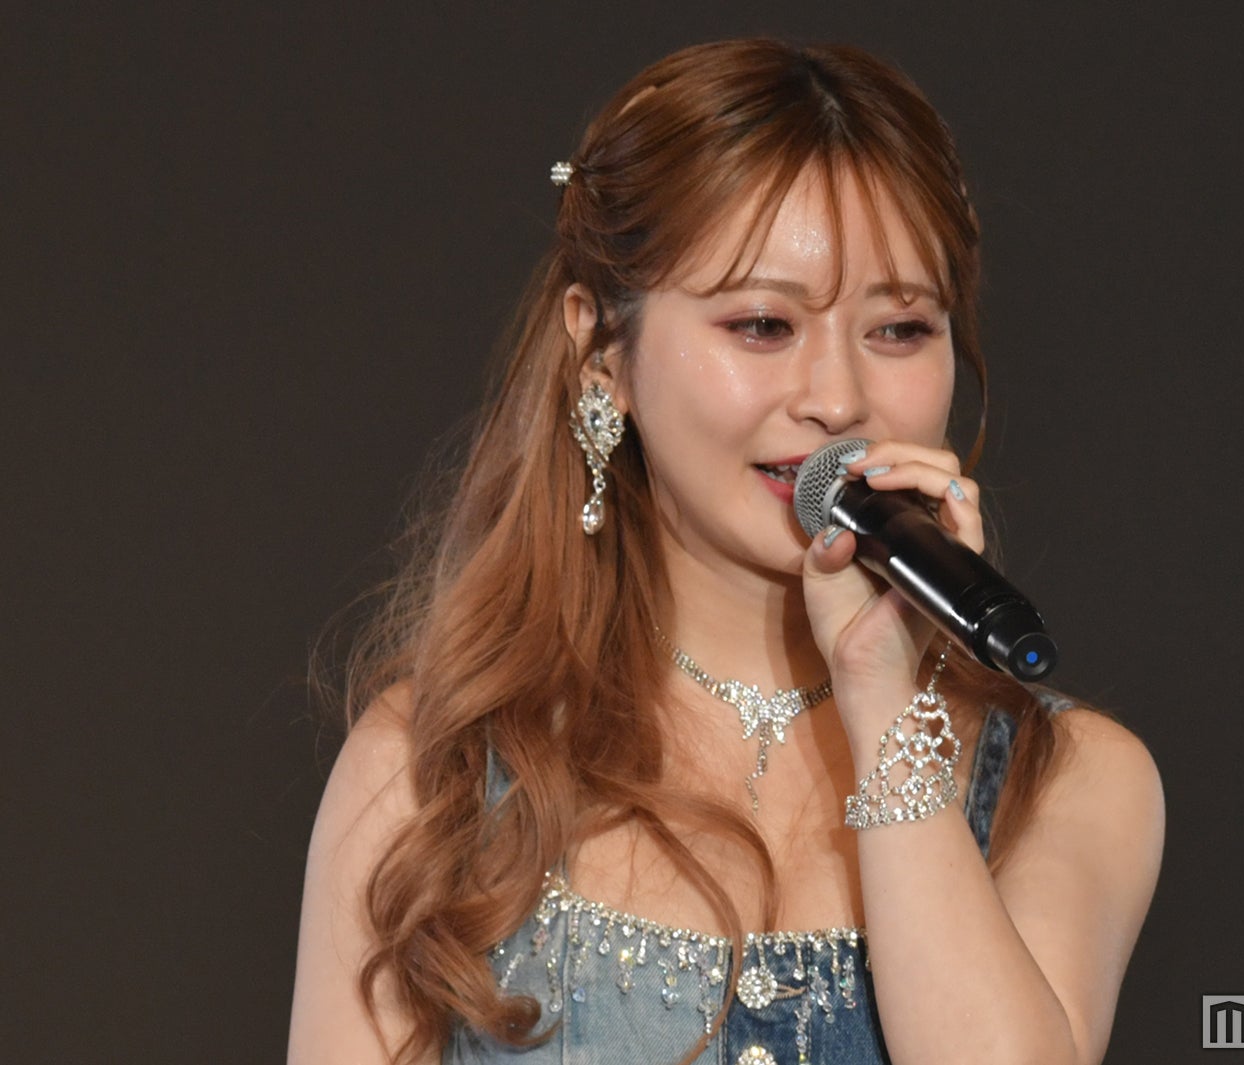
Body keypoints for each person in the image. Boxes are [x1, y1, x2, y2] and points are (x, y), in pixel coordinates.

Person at [288, 38, 1164, 1065]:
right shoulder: (433, 775)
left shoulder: (1067, 782)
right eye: (761, 325)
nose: (836, 399)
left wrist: (884, 698)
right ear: (602, 353)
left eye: (899, 330)